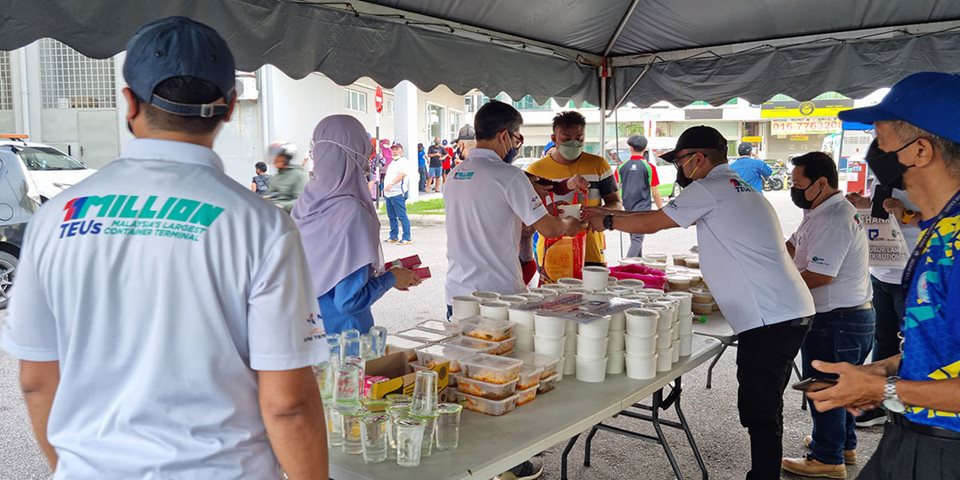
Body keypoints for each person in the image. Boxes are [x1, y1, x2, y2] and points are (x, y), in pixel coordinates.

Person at [0, 17, 329, 479]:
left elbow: (36, 383)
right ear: (230, 107)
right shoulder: (261, 226)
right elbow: (288, 404)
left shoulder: (55, 218)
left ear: (129, 101)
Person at [583, 125, 815, 480]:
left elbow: (655, 222)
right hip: (784, 309)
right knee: (762, 405)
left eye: (680, 161)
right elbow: (659, 217)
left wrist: (608, 219)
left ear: (699, 158)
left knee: (761, 410)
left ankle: (764, 476)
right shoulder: (737, 187)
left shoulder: (712, 187)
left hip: (771, 316)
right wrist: (607, 218)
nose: (679, 169)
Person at [806, 72, 960, 480]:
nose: (875, 152)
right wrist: (885, 369)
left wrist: (883, 390)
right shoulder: (942, 228)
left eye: (881, 139)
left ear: (921, 150)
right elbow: (946, 348)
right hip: (912, 434)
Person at [445, 100, 582, 480]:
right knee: (502, 384)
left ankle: (468, 463)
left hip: (457, 294)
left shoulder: (456, 173)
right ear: (505, 135)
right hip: (499, 299)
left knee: (466, 381)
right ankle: (509, 465)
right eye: (518, 137)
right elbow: (551, 229)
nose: (517, 144)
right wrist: (576, 221)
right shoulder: (510, 177)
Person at [780, 152, 875, 479]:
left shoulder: (834, 218)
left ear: (821, 183)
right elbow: (792, 246)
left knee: (825, 386)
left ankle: (827, 458)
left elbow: (821, 275)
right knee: (842, 385)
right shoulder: (819, 210)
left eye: (798, 184)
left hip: (838, 320)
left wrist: (777, 283)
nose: (794, 190)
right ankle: (841, 444)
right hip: (847, 318)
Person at [292, 116, 421, 335]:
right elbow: (348, 301)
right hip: (346, 344)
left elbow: (326, 271)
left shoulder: (305, 204)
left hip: (307, 334)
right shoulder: (352, 212)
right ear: (357, 152)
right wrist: (392, 278)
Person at [845, 161, 921, 429]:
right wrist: (863, 203)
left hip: (914, 275)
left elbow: (944, 218)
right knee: (883, 338)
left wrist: (907, 214)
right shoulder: (882, 171)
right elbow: (881, 209)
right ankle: (879, 404)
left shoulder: (927, 175)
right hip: (881, 270)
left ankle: (916, 408)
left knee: (915, 345)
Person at [526, 111, 622, 267]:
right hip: (553, 252)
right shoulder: (536, 170)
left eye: (579, 139)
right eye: (566, 139)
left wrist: (600, 214)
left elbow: (616, 203)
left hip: (591, 251)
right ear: (553, 139)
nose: (573, 143)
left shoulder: (599, 165)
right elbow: (528, 214)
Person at [619, 134, 663, 257]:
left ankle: (638, 268)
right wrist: (661, 210)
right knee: (637, 240)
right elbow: (655, 192)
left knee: (635, 238)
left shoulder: (621, 167)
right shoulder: (649, 167)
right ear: (645, 149)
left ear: (630, 148)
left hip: (627, 209)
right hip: (643, 209)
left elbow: (616, 189)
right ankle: (626, 268)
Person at [265, 141, 308, 212]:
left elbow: (303, 201)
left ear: (286, 157)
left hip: (290, 217)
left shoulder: (298, 175)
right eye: (273, 157)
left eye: (277, 157)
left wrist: (283, 206)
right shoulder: (275, 177)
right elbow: (270, 194)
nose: (274, 160)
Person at [383, 142, 413, 244]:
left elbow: (401, 175)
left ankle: (407, 237)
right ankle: (393, 236)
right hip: (389, 194)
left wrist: (391, 184)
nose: (395, 151)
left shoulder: (403, 162)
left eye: (397, 149)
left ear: (401, 150)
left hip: (398, 193)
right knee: (391, 216)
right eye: (393, 149)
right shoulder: (392, 163)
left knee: (402, 216)